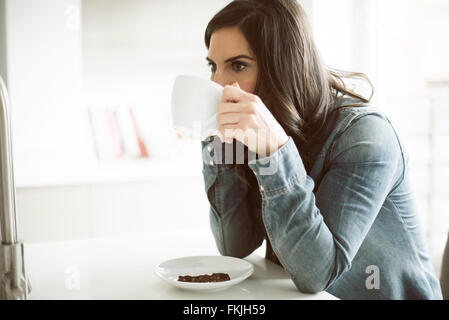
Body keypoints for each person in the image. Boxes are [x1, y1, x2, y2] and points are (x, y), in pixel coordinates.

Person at [200, 0, 442, 300]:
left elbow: (318, 273)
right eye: (213, 66)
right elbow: (235, 246)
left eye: (238, 65)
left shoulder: (364, 135)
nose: (218, 84)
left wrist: (276, 154)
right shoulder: (259, 131)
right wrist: (218, 141)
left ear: (283, 66)